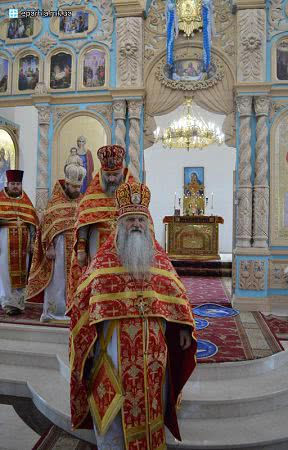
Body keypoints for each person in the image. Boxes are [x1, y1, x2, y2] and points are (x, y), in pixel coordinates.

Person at [69, 182, 197, 449]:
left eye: (140, 219)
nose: (136, 224)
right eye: (130, 220)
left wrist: (184, 327)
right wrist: (86, 344)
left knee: (152, 402)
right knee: (115, 410)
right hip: (112, 350)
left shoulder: (158, 259)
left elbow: (176, 292)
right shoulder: (103, 262)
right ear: (120, 224)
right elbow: (82, 303)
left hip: (152, 353)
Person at [67, 145, 135, 312]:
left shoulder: (132, 191)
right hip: (96, 245)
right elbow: (84, 222)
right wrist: (81, 249)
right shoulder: (93, 192)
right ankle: (96, 308)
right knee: (97, 278)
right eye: (108, 175)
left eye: (115, 175)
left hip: (125, 245)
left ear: (122, 172)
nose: (112, 179)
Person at [26, 164, 86, 322]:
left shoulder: (82, 201)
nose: (77, 190)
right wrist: (49, 247)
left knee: (77, 280)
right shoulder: (55, 202)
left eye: (79, 187)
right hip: (58, 248)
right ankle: (53, 313)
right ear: (66, 184)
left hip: (77, 248)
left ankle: (74, 310)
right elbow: (45, 226)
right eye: (74, 187)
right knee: (58, 281)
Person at [0, 170, 38, 315]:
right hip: (4, 241)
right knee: (5, 272)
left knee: (22, 273)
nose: (16, 186)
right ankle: (7, 302)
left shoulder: (25, 200)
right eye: (13, 184)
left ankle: (18, 303)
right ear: (7, 184)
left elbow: (33, 223)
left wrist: (33, 241)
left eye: (18, 184)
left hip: (24, 243)